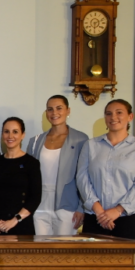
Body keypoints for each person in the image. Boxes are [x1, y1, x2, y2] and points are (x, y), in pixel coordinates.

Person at [77, 99, 135, 240]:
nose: (113, 117)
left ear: (130, 116)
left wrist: (118, 210)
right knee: (91, 254)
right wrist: (99, 211)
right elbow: (82, 178)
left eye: (119, 113)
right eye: (108, 113)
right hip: (95, 215)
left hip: (128, 215)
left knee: (123, 254)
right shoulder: (91, 145)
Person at [26, 95, 89, 235]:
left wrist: (81, 207)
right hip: (40, 204)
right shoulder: (35, 141)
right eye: (50, 109)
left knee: (63, 248)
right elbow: (29, 176)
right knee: (40, 246)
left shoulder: (80, 139)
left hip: (68, 205)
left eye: (59, 108)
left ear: (68, 110)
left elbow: (85, 176)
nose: (54, 113)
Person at [0, 117, 42, 235]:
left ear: (23, 135)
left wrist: (14, 220)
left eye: (15, 132)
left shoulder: (32, 163)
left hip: (21, 227)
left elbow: (35, 198)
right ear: (2, 134)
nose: (10, 136)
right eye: (6, 131)